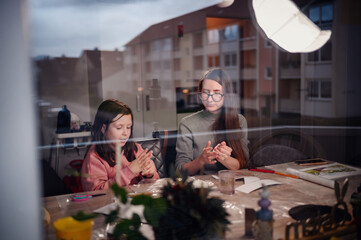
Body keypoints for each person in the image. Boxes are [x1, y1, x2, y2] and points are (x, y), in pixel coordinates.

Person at [175, 68, 249, 176]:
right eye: (205, 93)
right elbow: (179, 172)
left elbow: (244, 165)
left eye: (216, 93)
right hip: (200, 188)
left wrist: (223, 158)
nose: (210, 99)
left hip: (230, 184)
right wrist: (201, 160)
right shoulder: (187, 124)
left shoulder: (239, 121)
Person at [81, 99, 159, 191]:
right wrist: (130, 171)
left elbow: (155, 184)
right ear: (103, 128)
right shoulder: (94, 157)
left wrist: (150, 175)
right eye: (119, 128)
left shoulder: (135, 148)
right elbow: (97, 194)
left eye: (128, 127)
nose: (125, 133)